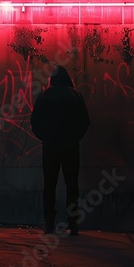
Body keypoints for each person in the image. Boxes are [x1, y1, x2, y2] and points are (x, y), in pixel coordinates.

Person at [30, 66, 90, 236]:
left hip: (50, 147)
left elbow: (34, 122)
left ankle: (49, 223)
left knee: (49, 184)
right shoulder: (75, 95)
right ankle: (73, 223)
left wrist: (45, 137)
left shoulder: (44, 95)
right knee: (72, 185)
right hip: (71, 146)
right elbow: (85, 122)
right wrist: (75, 138)